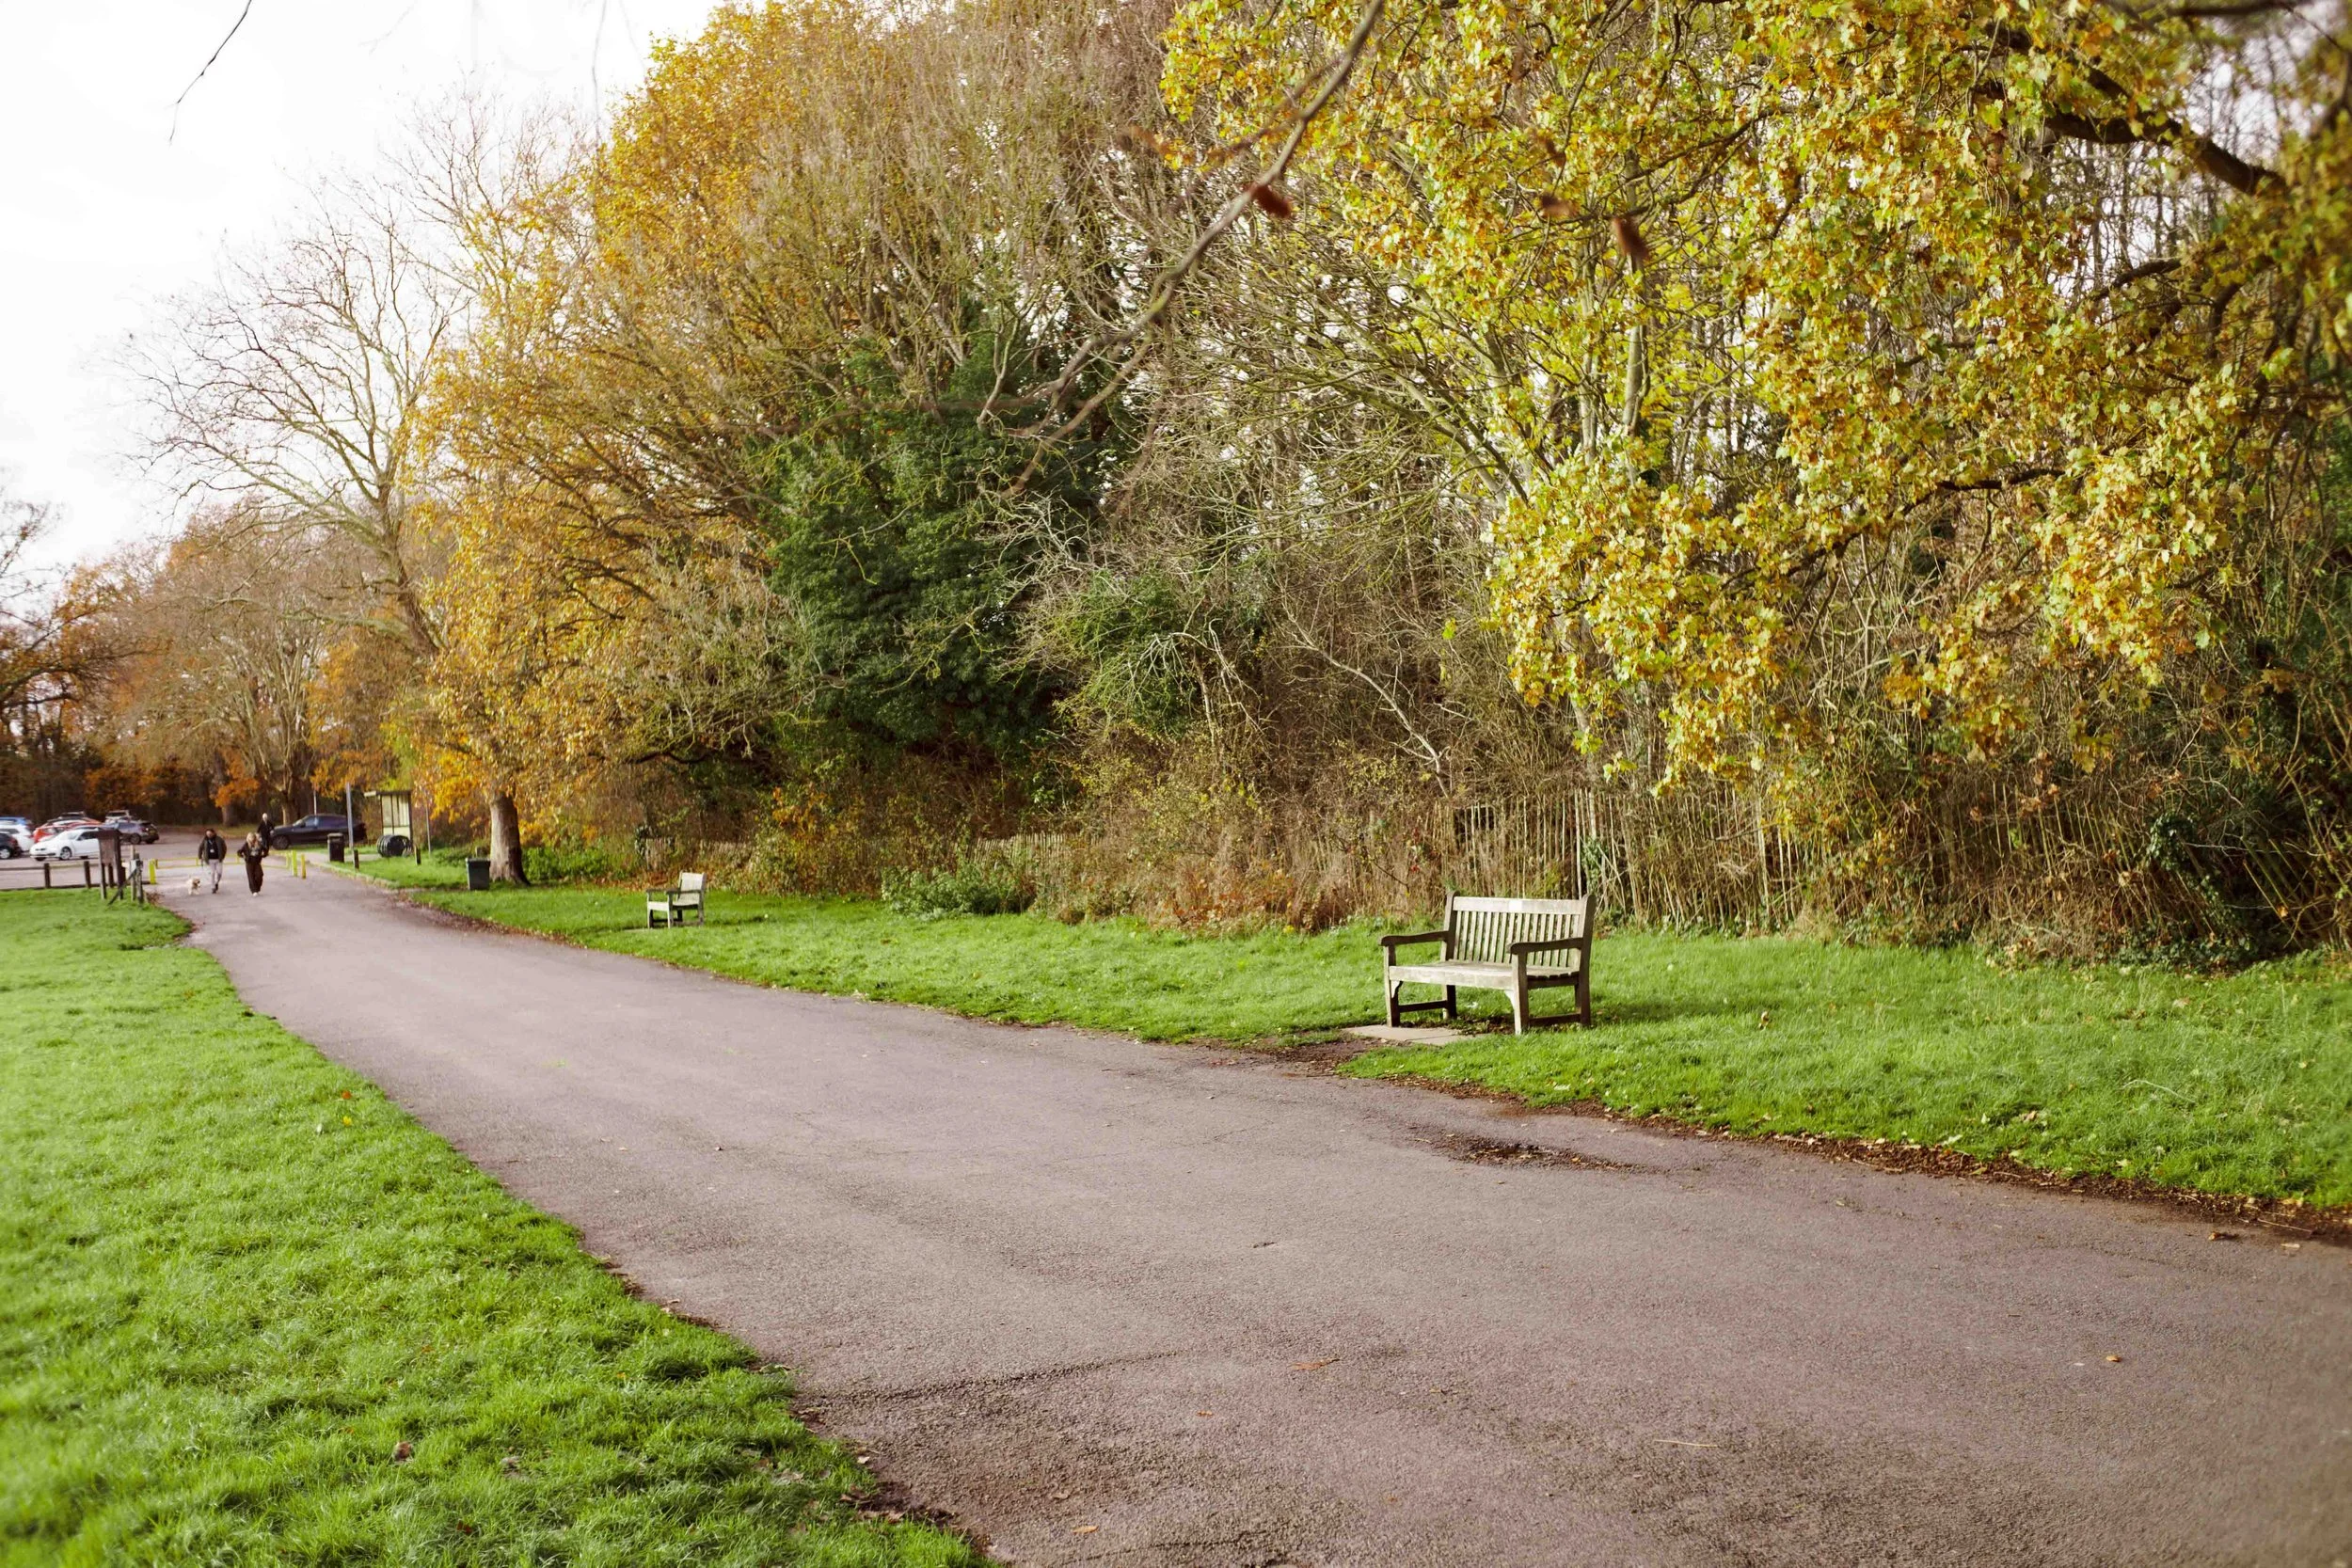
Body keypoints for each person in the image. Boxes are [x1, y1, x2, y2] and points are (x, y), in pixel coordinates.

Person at [237, 831, 268, 895]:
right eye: (250, 838)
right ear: (248, 838)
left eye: (253, 837)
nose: (252, 839)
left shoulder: (258, 844)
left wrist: (264, 855)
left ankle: (257, 887)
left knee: (259, 875)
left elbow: (265, 849)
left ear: (254, 838)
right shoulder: (246, 845)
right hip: (249, 863)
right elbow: (239, 852)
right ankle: (254, 890)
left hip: (257, 862)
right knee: (251, 877)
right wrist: (244, 857)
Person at [199, 827, 228, 893]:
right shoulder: (205, 840)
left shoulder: (219, 839)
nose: (209, 836)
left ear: (213, 833)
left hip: (218, 859)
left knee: (219, 873)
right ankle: (213, 887)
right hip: (209, 860)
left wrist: (222, 856)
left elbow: (224, 848)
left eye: (210, 834)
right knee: (212, 873)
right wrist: (200, 856)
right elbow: (200, 848)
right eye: (207, 834)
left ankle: (216, 882)